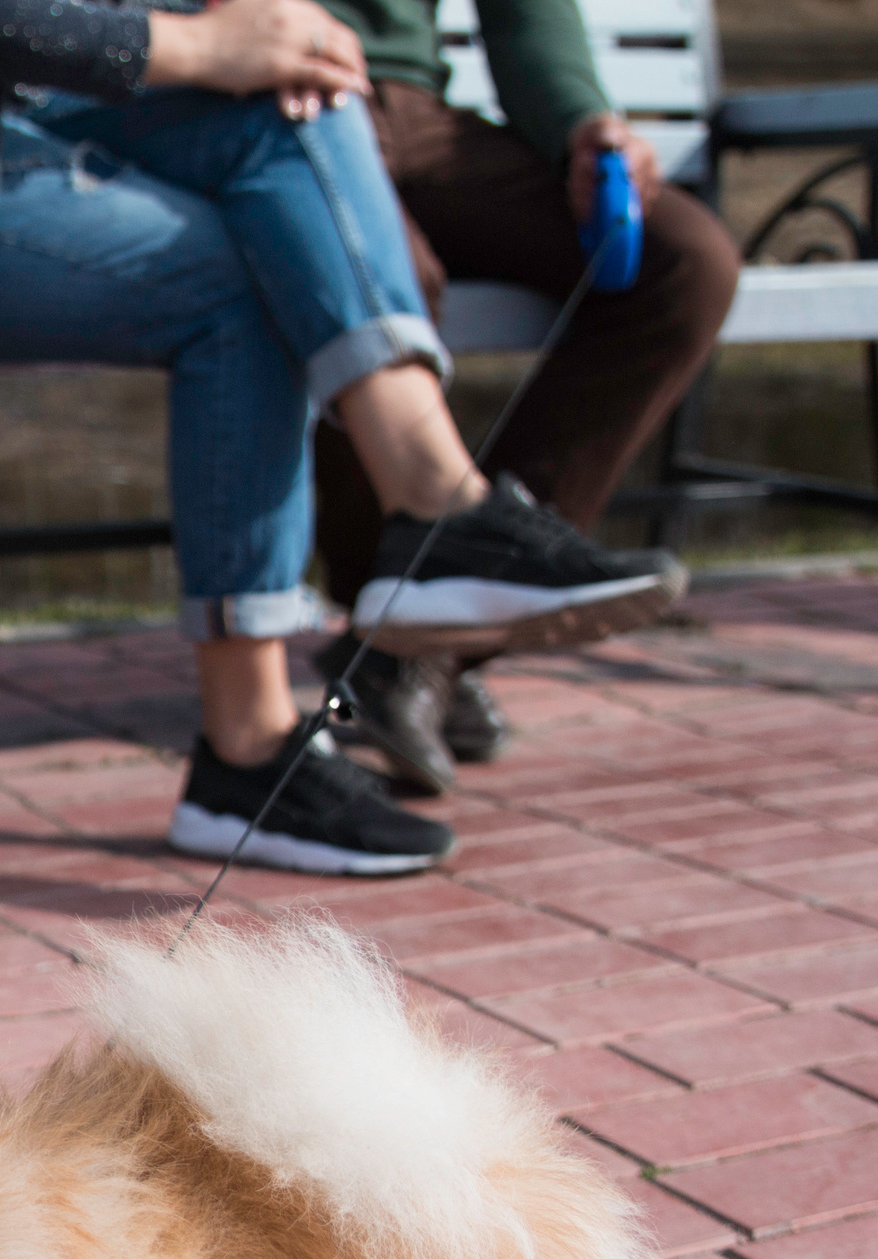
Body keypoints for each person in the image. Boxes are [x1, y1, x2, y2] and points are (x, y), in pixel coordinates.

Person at [0, 0, 685, 876]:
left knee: (295, 87)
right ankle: (396, 567)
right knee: (233, 270)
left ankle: (399, 559)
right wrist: (205, 49)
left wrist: (264, 39)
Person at [305, 0, 743, 794]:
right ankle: (406, 637)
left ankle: (417, 647)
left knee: (686, 262)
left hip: (423, 114)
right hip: (287, 90)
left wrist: (582, 121)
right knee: (381, 275)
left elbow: (525, 13)